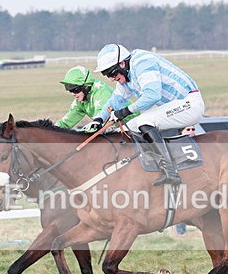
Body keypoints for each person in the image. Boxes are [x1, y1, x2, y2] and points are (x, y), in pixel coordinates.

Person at [87, 44, 205, 186]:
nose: (111, 78)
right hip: (172, 106)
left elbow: (152, 95)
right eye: (106, 75)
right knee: (124, 129)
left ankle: (170, 172)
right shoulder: (126, 74)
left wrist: (125, 111)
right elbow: (116, 100)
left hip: (189, 103)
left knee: (145, 120)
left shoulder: (143, 62)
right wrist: (99, 119)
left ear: (122, 64)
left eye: (111, 73)